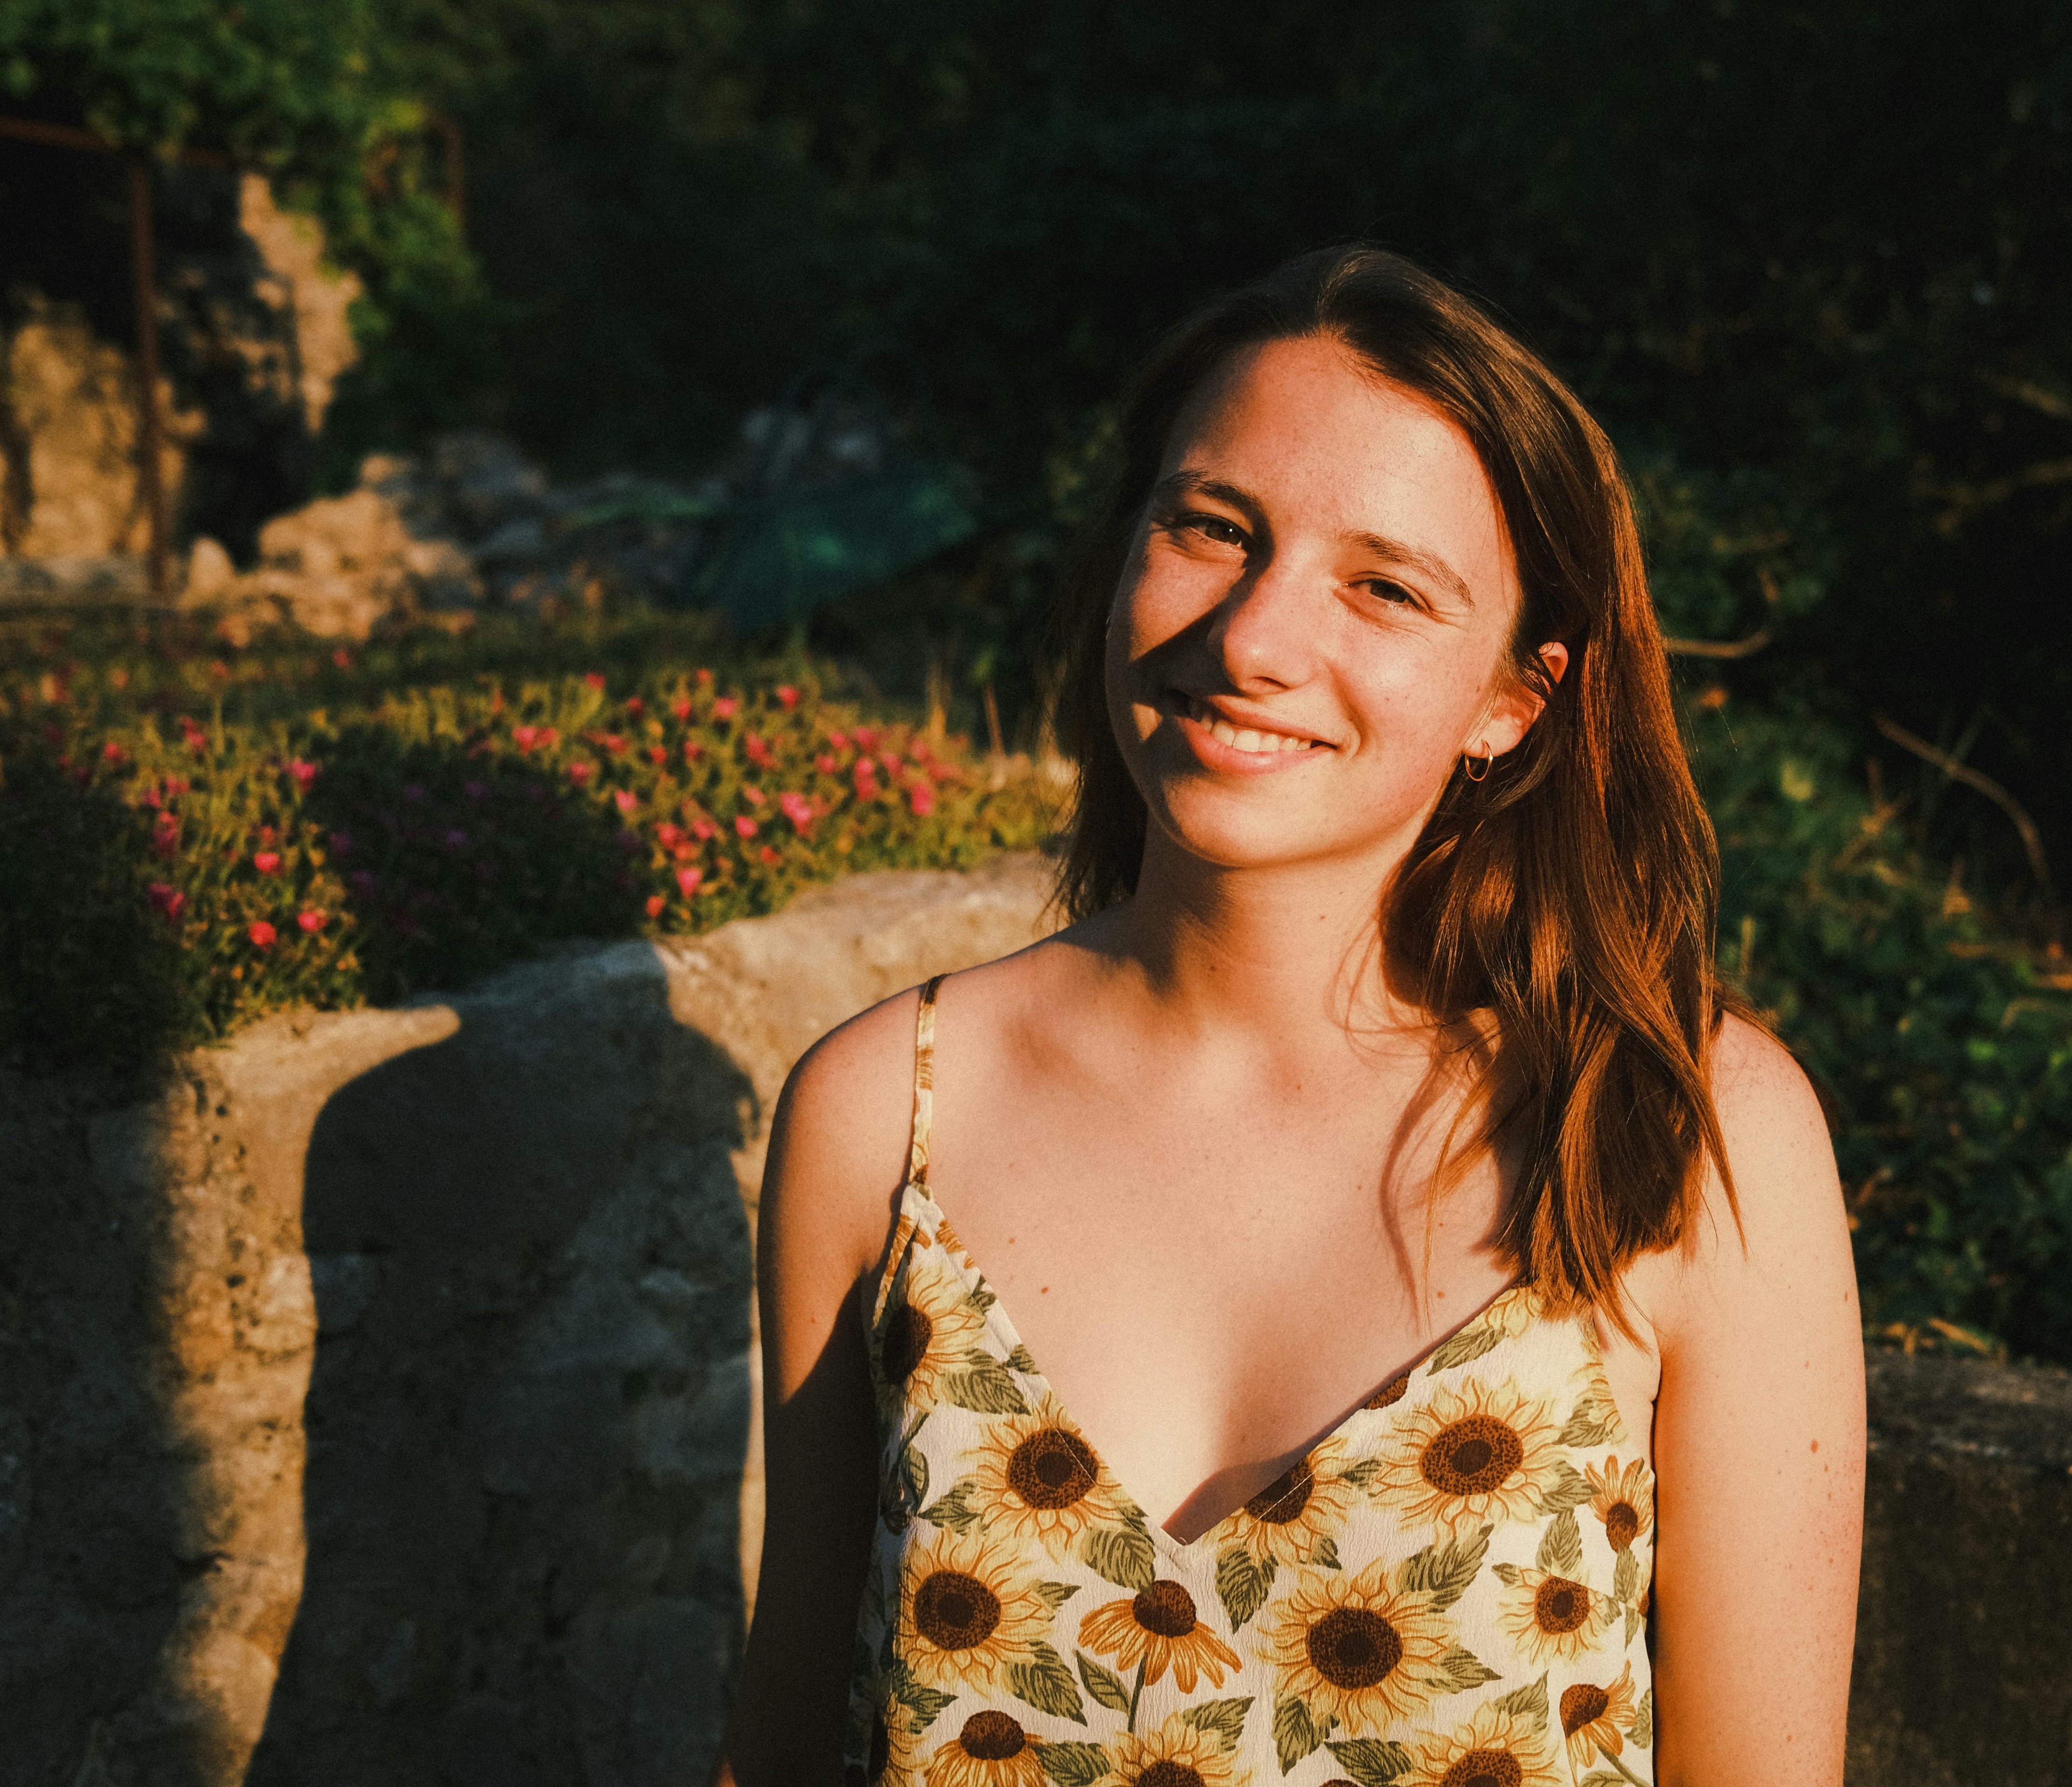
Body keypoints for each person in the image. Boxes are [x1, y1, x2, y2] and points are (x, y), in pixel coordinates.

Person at [717, 247, 1864, 1787]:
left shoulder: (1676, 1123)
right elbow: (786, 1745)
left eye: (1384, 588)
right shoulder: (884, 1111)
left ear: (1511, 702)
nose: (1253, 638)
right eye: (1210, 529)